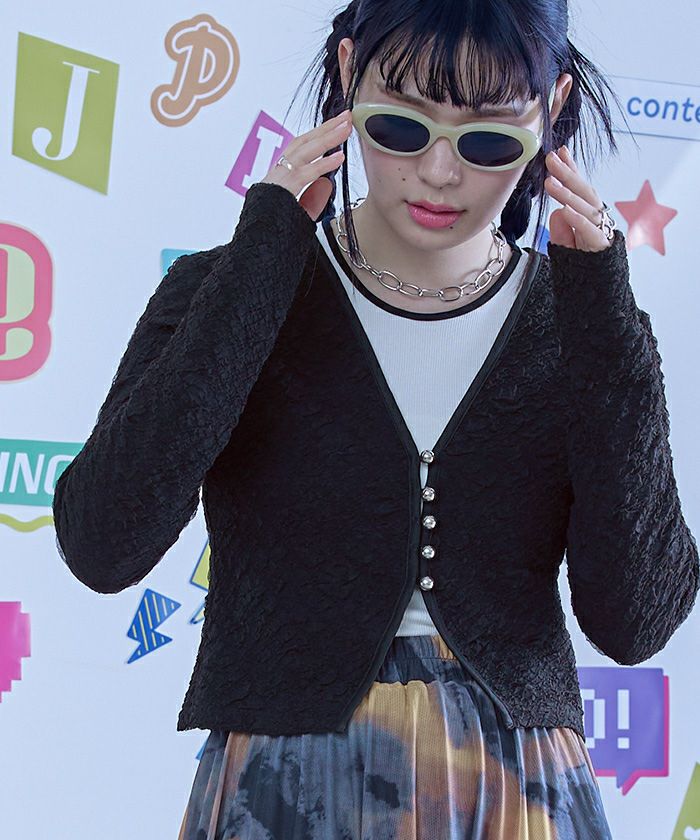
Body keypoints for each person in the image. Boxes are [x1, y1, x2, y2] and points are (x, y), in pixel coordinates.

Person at [51, 1, 699, 838]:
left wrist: (601, 310)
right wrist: (265, 253)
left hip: (516, 796)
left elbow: (636, 621)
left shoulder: (581, 324)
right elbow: (104, 544)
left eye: (488, 141)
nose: (438, 172)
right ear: (350, 73)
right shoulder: (232, 288)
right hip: (282, 790)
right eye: (399, 127)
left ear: (552, 110)